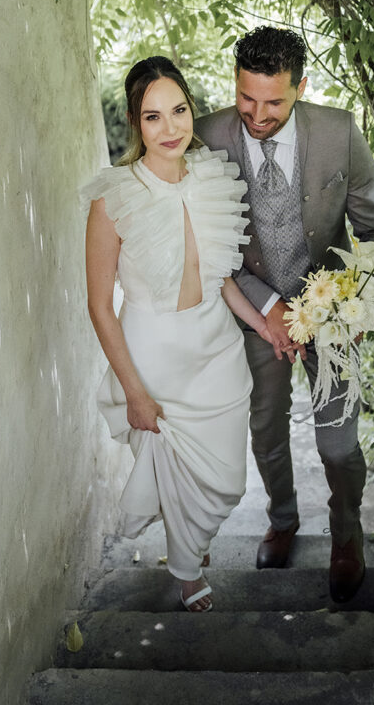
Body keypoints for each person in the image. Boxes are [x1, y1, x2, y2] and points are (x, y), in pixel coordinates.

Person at [195, 27, 374, 603]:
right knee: (266, 427)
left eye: (274, 102)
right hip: (255, 311)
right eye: (246, 98)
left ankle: (347, 533)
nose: (256, 114)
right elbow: (210, 249)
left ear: (301, 87)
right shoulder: (205, 137)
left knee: (337, 444)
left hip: (333, 312)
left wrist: (352, 300)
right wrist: (265, 309)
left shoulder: (340, 134)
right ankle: (282, 519)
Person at [82, 56, 280, 612]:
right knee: (173, 472)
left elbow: (220, 280)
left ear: (191, 111)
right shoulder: (113, 197)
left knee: (226, 482)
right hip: (156, 359)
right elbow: (100, 306)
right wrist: (135, 393)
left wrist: (263, 324)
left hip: (216, 350)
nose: (170, 129)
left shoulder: (213, 177)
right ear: (133, 122)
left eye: (179, 111)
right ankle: (188, 570)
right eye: (152, 117)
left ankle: (190, 543)